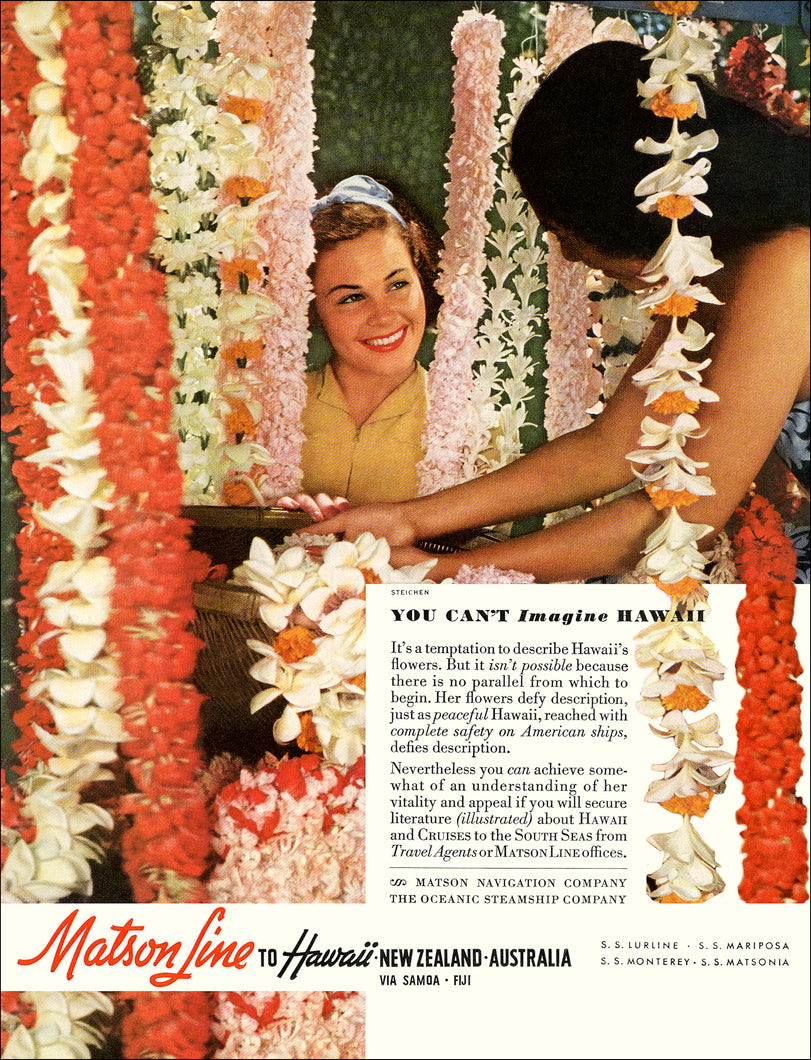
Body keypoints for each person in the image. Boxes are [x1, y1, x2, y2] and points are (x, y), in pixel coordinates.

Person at [315, 42, 810, 581]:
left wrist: (437, 570)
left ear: (628, 215)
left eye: (564, 233)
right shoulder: (704, 259)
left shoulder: (788, 265)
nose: (570, 254)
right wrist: (406, 521)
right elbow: (613, 445)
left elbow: (685, 518)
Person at [276, 174, 441, 521]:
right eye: (352, 297)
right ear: (313, 306)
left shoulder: (474, 427)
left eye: (397, 284)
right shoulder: (271, 413)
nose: (383, 316)